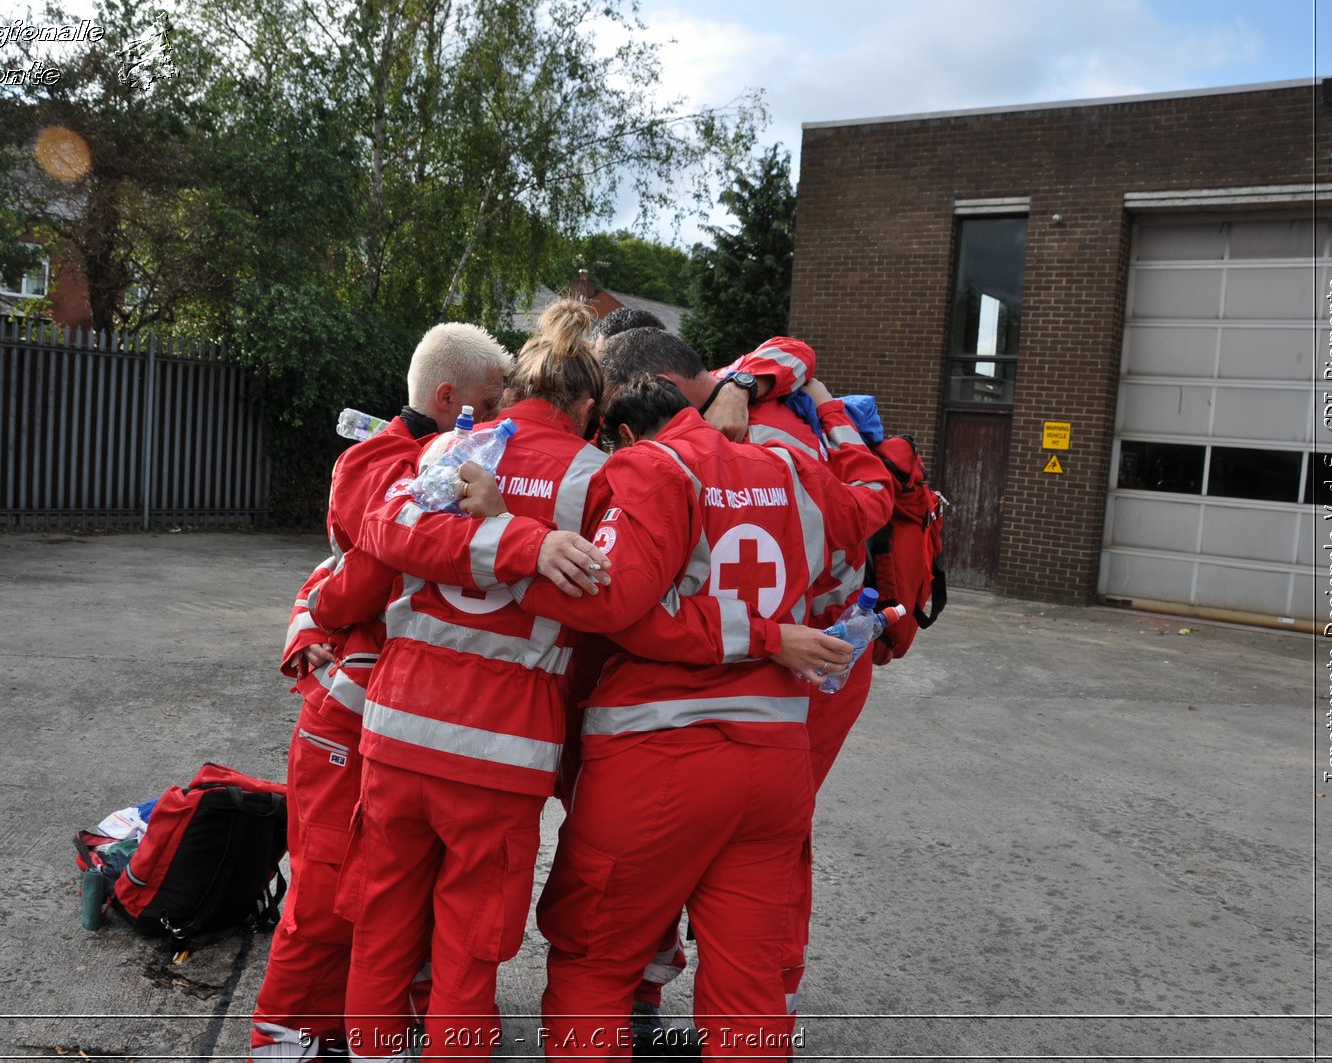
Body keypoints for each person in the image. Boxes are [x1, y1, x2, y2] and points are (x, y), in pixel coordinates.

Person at [306, 300, 611, 1062]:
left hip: (399, 734)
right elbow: (613, 607)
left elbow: (380, 537)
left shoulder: (448, 448)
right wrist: (521, 542)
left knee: (380, 933)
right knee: (467, 958)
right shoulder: (598, 477)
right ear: (585, 404)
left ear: (515, 393)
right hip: (501, 758)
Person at [596, 328, 893, 1011]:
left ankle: (670, 980)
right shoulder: (742, 399)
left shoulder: (712, 445)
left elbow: (622, 602)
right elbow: (800, 359)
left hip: (796, 662)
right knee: (761, 840)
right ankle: (762, 996)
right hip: (790, 667)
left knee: (719, 838)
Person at [249, 324, 511, 1062]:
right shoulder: (382, 463)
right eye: (491, 403)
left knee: (399, 894)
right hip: (352, 715)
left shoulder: (447, 456)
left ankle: (385, 1025)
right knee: (330, 889)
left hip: (407, 722)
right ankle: (286, 1041)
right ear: (449, 397)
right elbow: (358, 577)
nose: (500, 420)